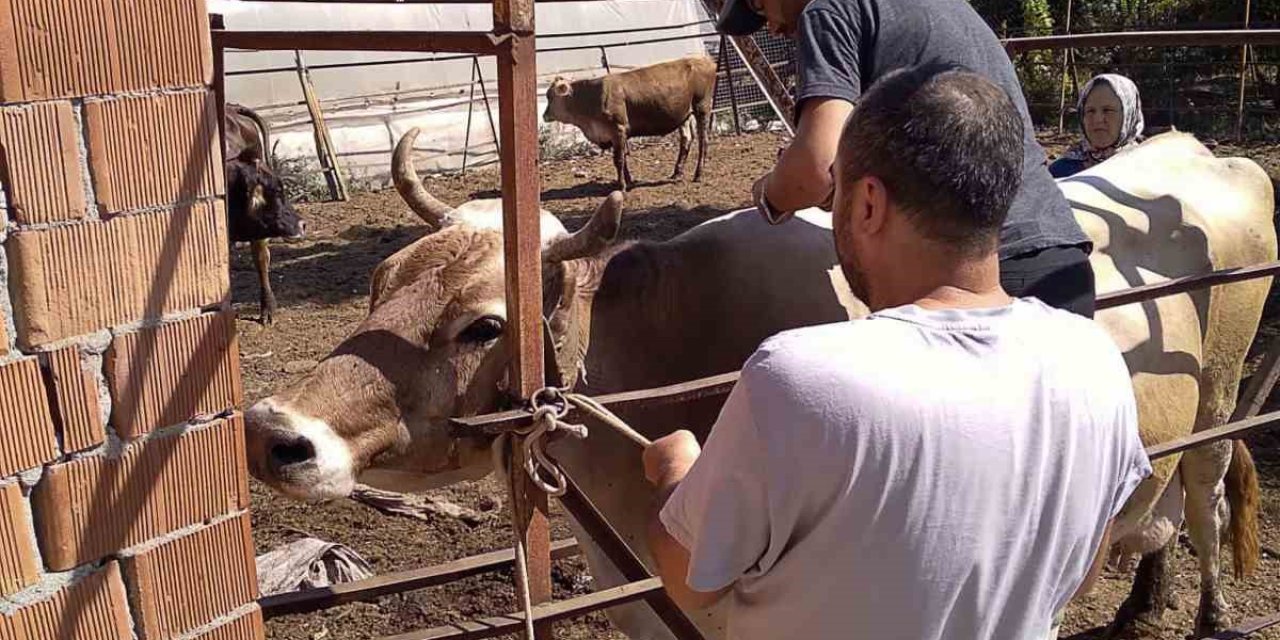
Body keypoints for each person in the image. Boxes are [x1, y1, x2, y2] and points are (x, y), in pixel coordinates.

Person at [642, 64, 1152, 640]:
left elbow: (690, 578)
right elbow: (1080, 576)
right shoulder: (1094, 361)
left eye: (834, 190)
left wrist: (675, 472)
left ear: (867, 204)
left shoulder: (798, 379)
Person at [719, 0, 1098, 318]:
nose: (769, 27)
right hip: (1059, 258)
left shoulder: (828, 9)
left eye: (757, 3)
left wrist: (770, 196)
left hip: (972, 281)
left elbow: (815, 169)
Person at [1049, 73, 1146, 178]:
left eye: (1108, 110)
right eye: (1090, 111)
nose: (1098, 119)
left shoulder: (1148, 170)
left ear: (1128, 115)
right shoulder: (1060, 172)